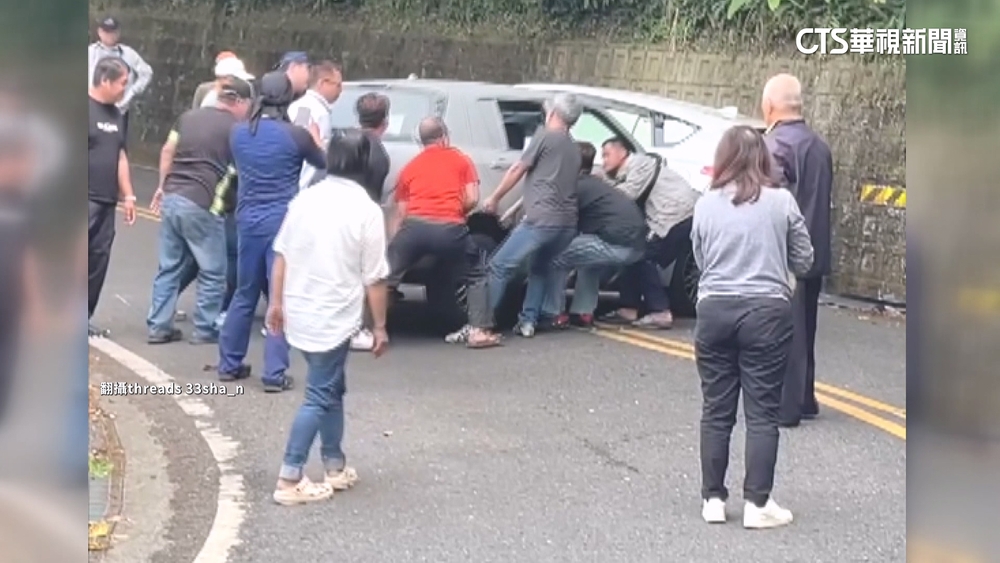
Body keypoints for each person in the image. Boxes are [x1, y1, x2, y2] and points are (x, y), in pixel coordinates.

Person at [691, 126, 813, 529]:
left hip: (714, 310)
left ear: (723, 159)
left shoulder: (706, 204)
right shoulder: (781, 201)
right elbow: (805, 258)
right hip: (766, 311)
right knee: (761, 412)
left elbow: (700, 256)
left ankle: (713, 498)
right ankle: (758, 504)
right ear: (764, 158)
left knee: (717, 408)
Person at [266, 130, 390, 505]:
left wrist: (275, 303)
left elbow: (281, 255)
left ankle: (334, 465)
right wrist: (380, 326)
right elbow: (375, 278)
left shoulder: (305, 199)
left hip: (298, 308)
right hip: (334, 315)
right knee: (320, 394)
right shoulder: (367, 210)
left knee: (332, 387)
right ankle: (290, 477)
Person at [216, 71, 325, 392]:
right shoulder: (296, 135)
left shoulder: (238, 133)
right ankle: (274, 373)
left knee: (244, 293)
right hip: (284, 224)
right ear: (289, 98)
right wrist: (316, 139)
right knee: (281, 297)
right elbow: (322, 161)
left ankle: (229, 363)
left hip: (248, 221)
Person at [146, 76, 254, 345]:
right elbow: (244, 169)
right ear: (239, 102)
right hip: (204, 202)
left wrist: (162, 185)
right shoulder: (238, 129)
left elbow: (168, 149)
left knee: (169, 268)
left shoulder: (188, 118)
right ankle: (205, 328)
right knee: (213, 271)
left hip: (172, 195)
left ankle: (159, 326)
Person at [762, 73, 834, 427]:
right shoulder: (819, 146)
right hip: (816, 248)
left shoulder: (776, 146)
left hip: (787, 253)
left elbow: (770, 202)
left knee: (787, 331)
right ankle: (805, 397)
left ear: (770, 106)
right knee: (807, 327)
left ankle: (786, 407)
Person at [481, 93, 582, 338]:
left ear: (553, 113)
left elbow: (519, 168)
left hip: (541, 220)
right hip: (566, 224)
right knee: (539, 269)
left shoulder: (545, 136)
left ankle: (481, 325)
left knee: (499, 266)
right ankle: (528, 322)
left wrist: (494, 198)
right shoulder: (574, 147)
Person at [387, 117, 478, 336]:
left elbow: (401, 213)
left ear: (421, 141)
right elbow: (473, 198)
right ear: (445, 137)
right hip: (450, 228)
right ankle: (480, 330)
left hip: (414, 228)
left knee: (385, 277)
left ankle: (376, 327)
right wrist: (457, 212)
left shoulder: (410, 167)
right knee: (477, 274)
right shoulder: (462, 160)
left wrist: (396, 244)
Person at [540, 142, 646, 328]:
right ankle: (583, 312)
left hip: (617, 243)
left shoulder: (575, 187)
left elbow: (558, 223)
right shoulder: (596, 185)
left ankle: (552, 313)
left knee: (555, 256)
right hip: (635, 245)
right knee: (588, 258)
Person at [599, 137, 699, 329]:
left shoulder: (639, 165)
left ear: (622, 153)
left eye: (607, 155)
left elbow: (627, 195)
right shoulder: (629, 170)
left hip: (675, 215)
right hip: (671, 214)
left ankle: (660, 311)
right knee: (633, 252)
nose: (604, 161)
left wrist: (599, 188)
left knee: (644, 256)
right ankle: (628, 308)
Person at [88, 57, 137, 337]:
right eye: (121, 83)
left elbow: (120, 155)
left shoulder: (117, 116)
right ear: (104, 80)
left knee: (98, 260)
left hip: (106, 201)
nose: (124, 89)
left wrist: (128, 195)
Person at [348, 92, 392, 350]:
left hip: (338, 213)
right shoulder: (380, 154)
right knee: (363, 274)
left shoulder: (344, 141)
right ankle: (357, 328)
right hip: (363, 217)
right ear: (384, 123)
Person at [87, 16, 153, 149]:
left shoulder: (128, 54)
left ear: (118, 33)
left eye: (113, 32)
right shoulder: (90, 51)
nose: (109, 35)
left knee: (116, 144)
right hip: (91, 105)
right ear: (99, 32)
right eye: (106, 31)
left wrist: (131, 93)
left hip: (118, 108)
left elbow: (147, 72)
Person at [287, 60, 343, 190]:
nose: (341, 90)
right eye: (338, 85)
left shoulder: (297, 105)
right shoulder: (317, 112)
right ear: (322, 83)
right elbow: (303, 155)